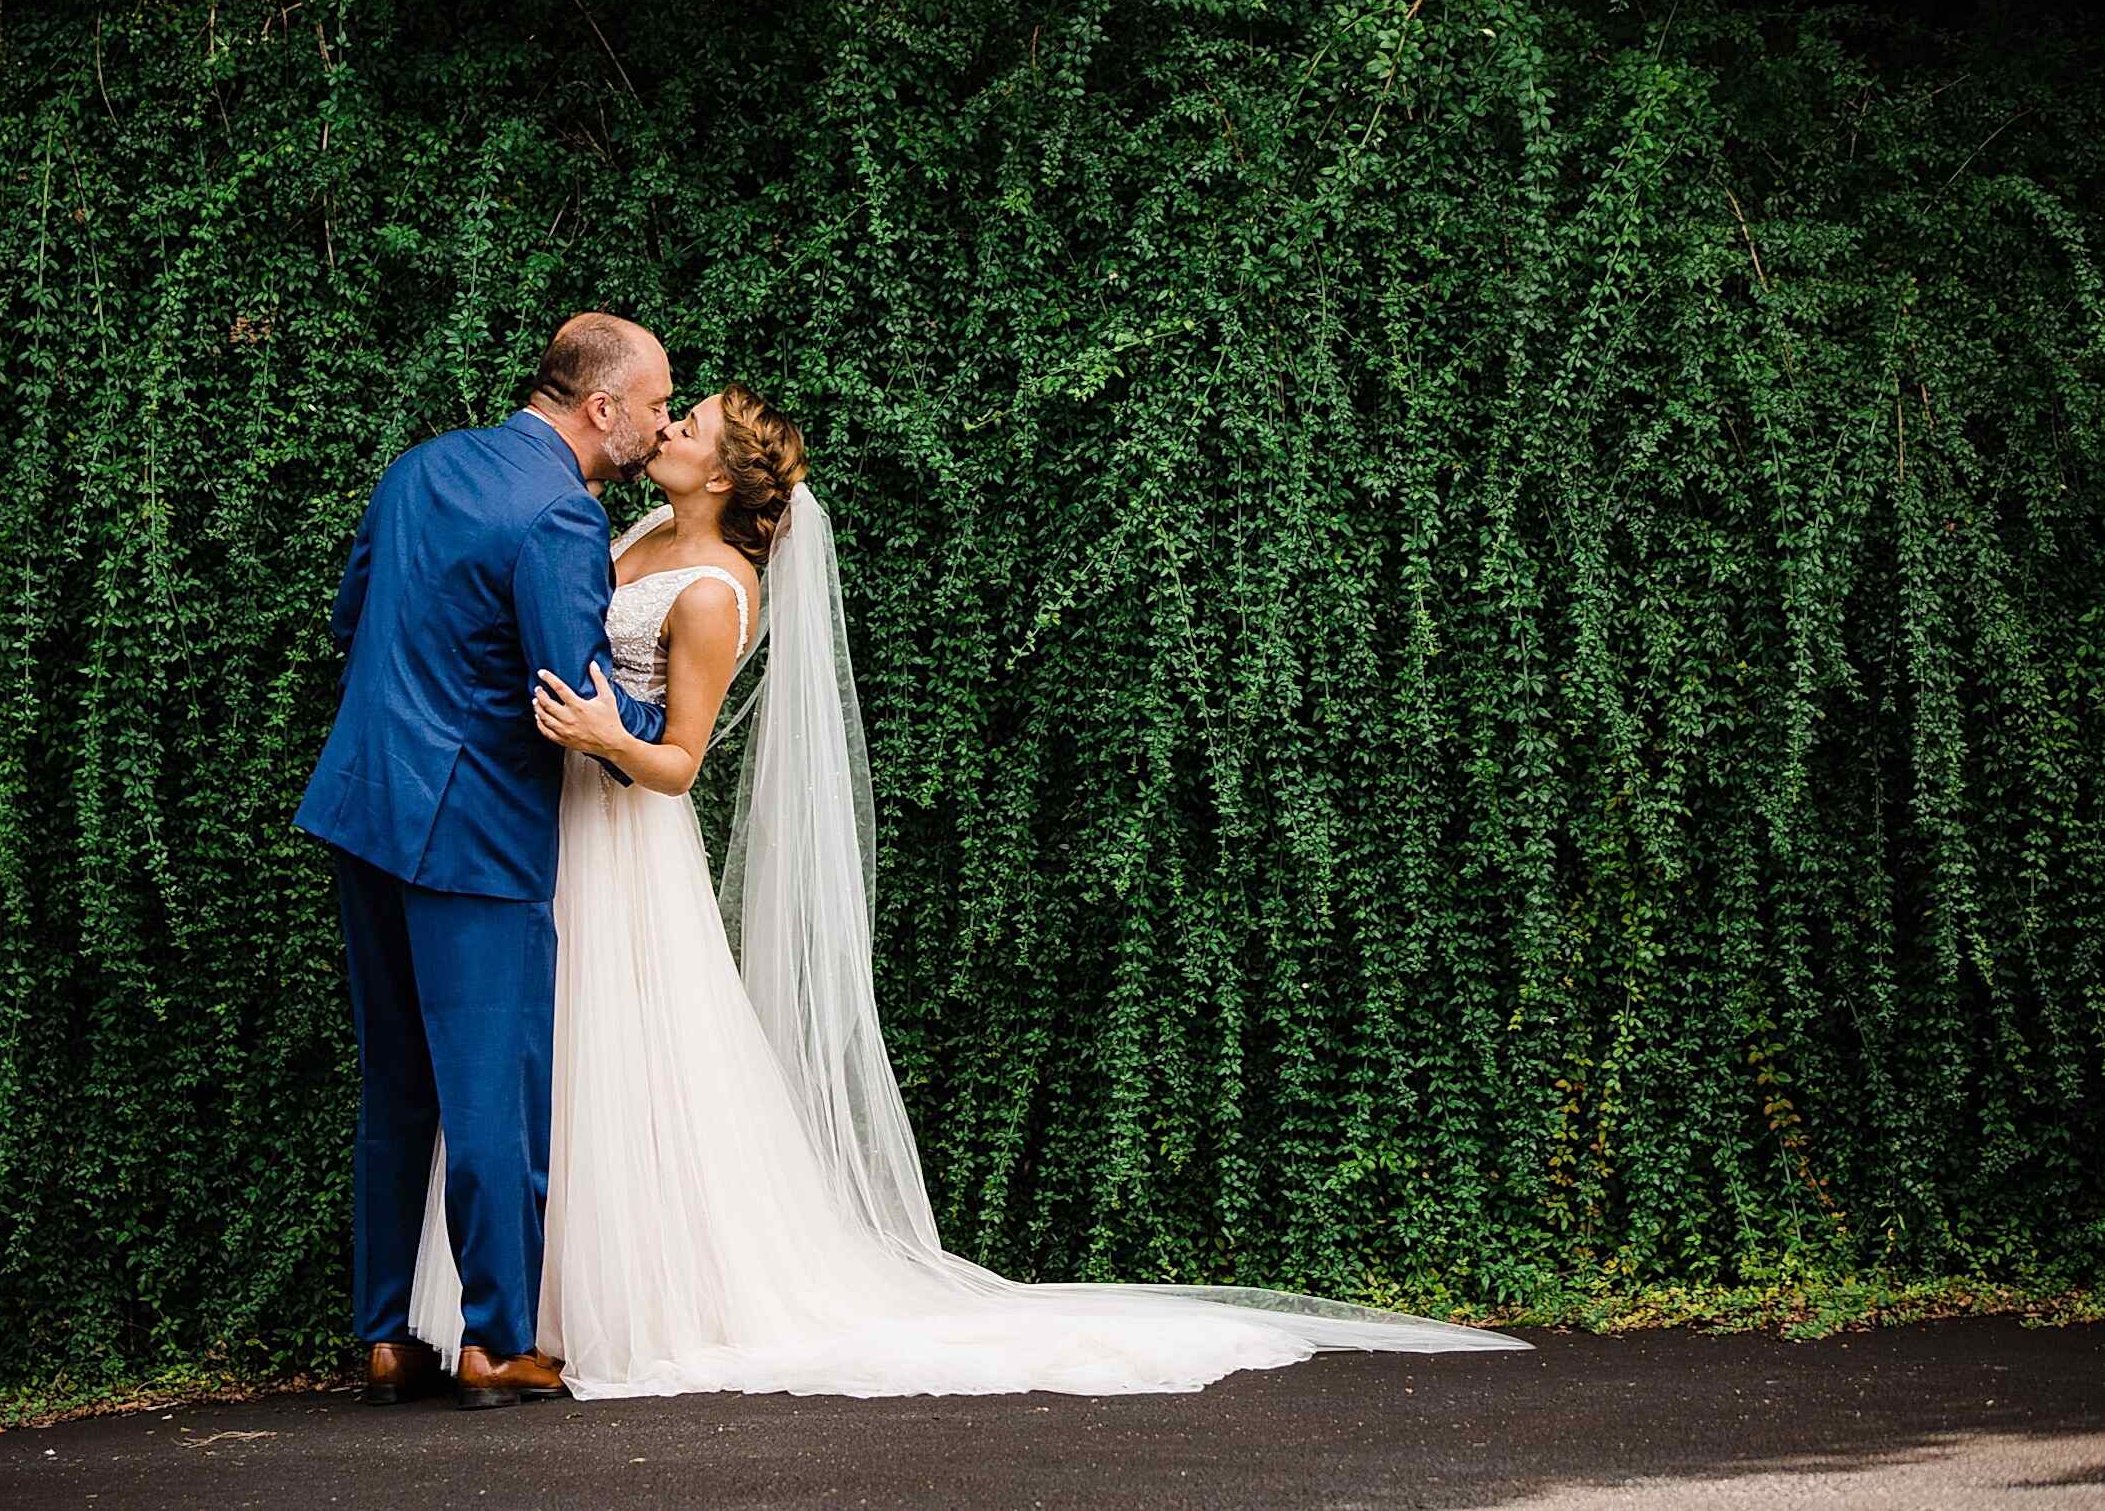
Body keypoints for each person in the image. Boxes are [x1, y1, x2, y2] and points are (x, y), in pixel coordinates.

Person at [403, 382, 1529, 1398]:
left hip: (627, 844)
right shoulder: (639, 531)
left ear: (730, 474)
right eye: (673, 410)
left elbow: (682, 762)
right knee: (541, 1052)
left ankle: (610, 1307)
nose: (668, 425)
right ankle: (515, 1305)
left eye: (689, 423)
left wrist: (606, 733)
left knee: (618, 1055)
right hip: (554, 822)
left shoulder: (714, 590)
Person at [292, 313, 675, 1409]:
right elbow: (570, 691)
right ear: (600, 408)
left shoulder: (417, 466)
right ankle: (496, 1339)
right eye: (654, 401)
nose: (659, 420)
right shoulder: (559, 511)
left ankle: (383, 1337)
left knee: (396, 1084)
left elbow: (350, 613)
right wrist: (666, 714)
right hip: (474, 830)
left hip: (364, 802)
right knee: (495, 1088)